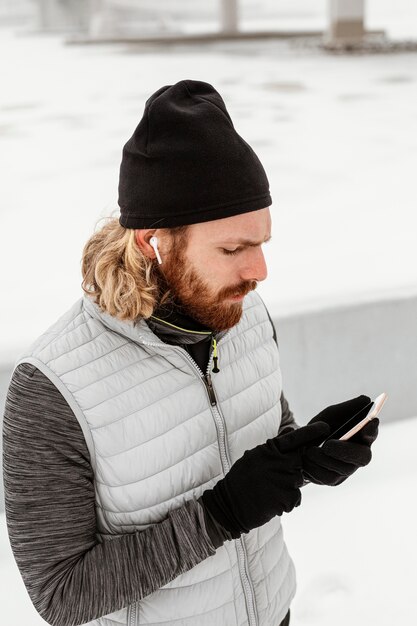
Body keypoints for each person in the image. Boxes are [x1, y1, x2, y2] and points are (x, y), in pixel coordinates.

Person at [2, 79, 379, 626]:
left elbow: (256, 455)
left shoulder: (245, 315)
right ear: (150, 243)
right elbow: (59, 594)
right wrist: (219, 515)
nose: (259, 273)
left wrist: (306, 456)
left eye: (260, 244)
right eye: (232, 249)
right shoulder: (52, 388)